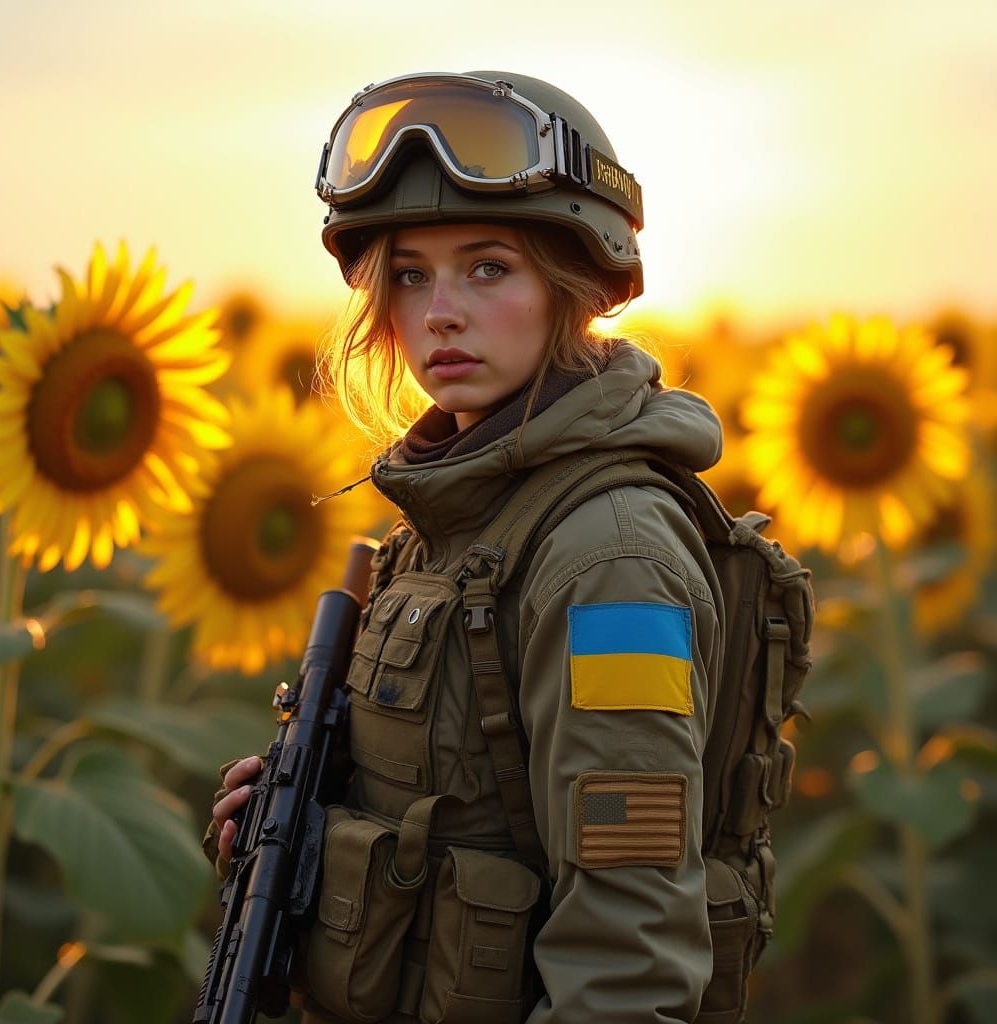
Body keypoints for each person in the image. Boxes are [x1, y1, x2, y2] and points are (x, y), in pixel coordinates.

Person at [206, 70, 725, 1024]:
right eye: (410, 275)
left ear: (572, 286)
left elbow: (628, 955)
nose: (439, 310)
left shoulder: (609, 559)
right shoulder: (450, 520)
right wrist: (309, 832)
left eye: (488, 267)